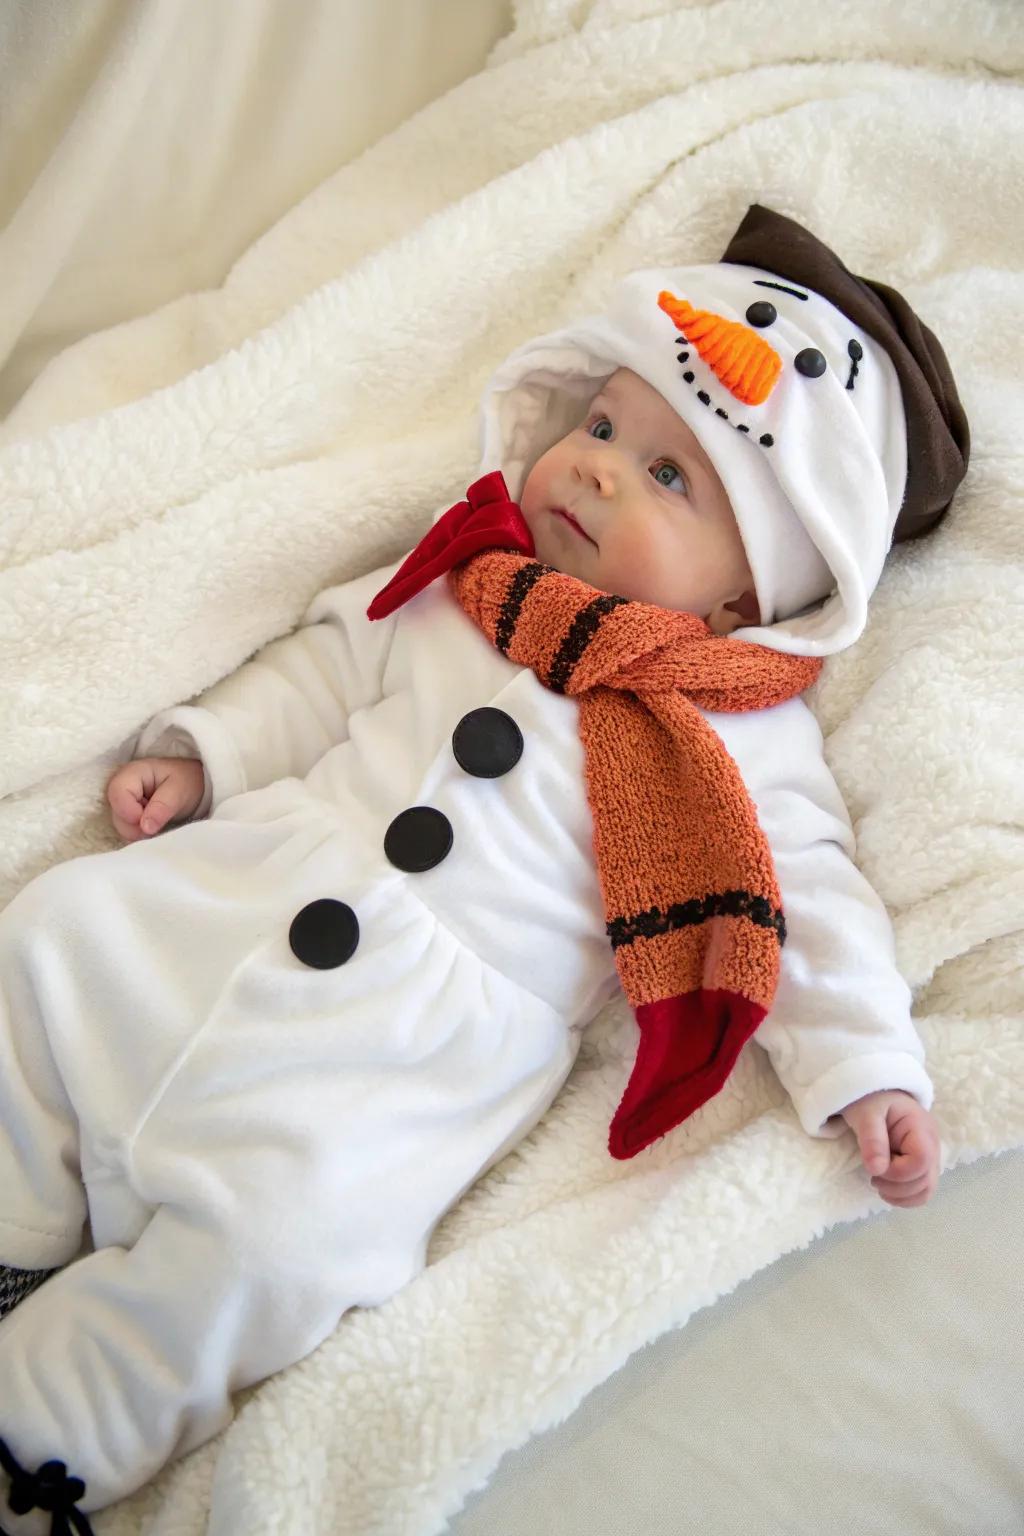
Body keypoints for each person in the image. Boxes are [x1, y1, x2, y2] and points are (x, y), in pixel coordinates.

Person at [0, 205, 969, 1532]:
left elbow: (804, 908)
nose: (600, 470)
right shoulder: (468, 582)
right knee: (52, 942)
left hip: (400, 1061)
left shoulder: (742, 742)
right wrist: (208, 752)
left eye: (669, 478)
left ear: (745, 601)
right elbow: (329, 669)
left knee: (286, 1251)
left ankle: (46, 1420)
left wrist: (867, 1065)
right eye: (605, 426)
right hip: (245, 883)